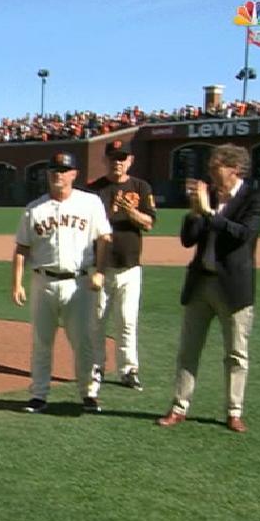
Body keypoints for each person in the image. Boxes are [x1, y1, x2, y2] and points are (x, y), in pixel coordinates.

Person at [157, 143, 260, 433]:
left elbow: (242, 236)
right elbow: (188, 240)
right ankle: (179, 407)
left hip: (233, 287)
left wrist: (208, 213)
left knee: (236, 353)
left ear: (234, 169)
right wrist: (194, 213)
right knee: (188, 350)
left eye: (215, 167)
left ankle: (234, 411)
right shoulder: (208, 197)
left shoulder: (255, 198)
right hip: (200, 284)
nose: (209, 172)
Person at [10, 151, 111, 414]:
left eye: (64, 170)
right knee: (42, 341)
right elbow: (21, 248)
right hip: (43, 281)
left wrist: (100, 271)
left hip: (79, 283)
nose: (58, 174)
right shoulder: (35, 208)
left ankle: (89, 393)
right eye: (54, 170)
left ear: (74, 174)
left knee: (83, 341)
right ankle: (39, 395)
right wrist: (17, 283)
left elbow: (104, 239)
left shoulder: (90, 203)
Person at [89, 139, 156, 391]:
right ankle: (97, 367)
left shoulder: (141, 186)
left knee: (127, 321)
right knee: (96, 321)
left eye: (123, 157)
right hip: (100, 267)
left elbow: (148, 223)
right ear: (105, 160)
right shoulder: (93, 190)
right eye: (114, 157)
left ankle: (129, 369)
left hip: (130, 267)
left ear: (130, 161)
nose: (118, 162)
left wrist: (131, 212)